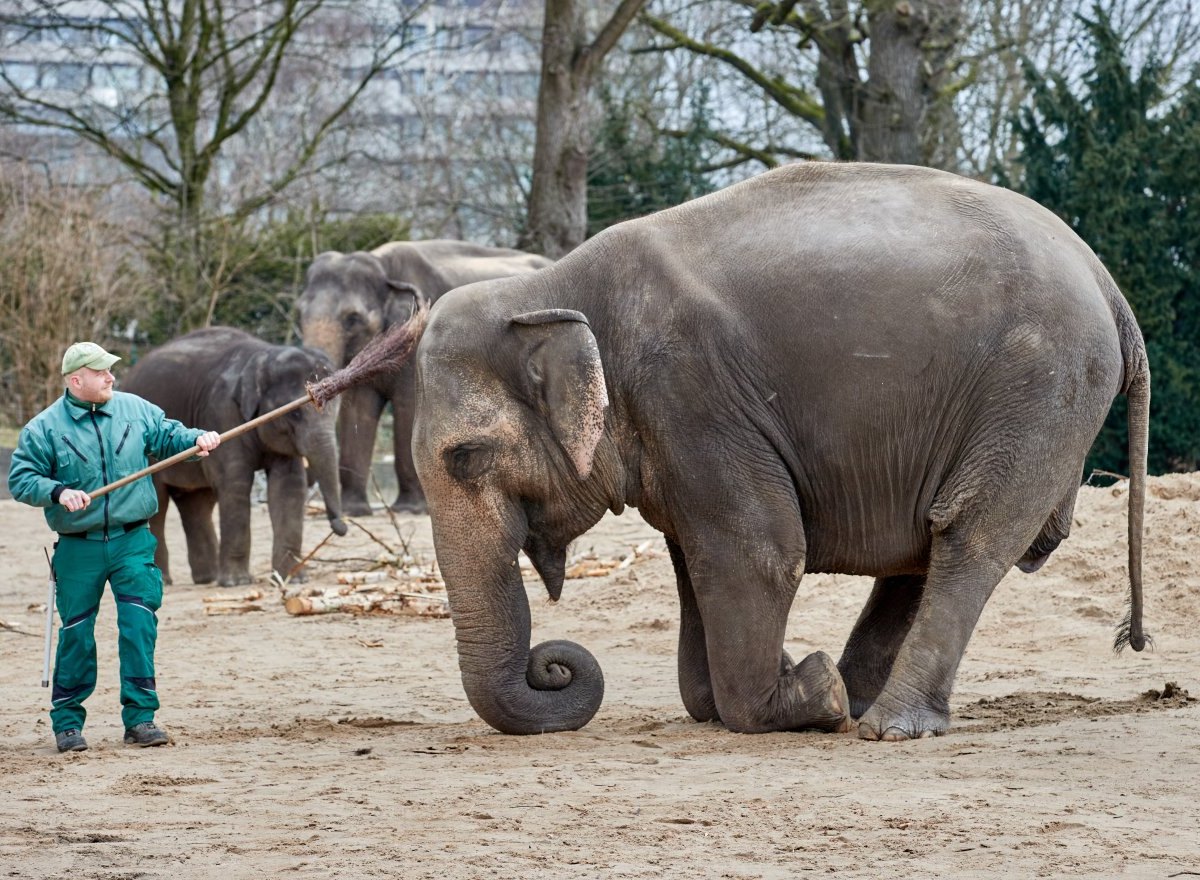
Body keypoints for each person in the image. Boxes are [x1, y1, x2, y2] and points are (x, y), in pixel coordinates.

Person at [8, 341, 221, 753]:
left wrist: (199, 440)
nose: (111, 377)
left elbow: (171, 436)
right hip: (77, 548)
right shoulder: (43, 428)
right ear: (76, 380)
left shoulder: (136, 409)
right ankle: (67, 724)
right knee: (76, 635)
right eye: (101, 372)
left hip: (133, 542)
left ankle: (141, 720)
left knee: (139, 626)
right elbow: (21, 479)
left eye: (110, 371)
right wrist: (57, 492)